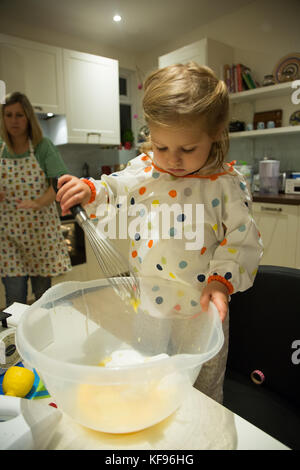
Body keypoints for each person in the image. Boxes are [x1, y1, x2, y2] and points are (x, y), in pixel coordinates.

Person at [56, 63, 263, 403]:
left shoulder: (226, 185)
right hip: (149, 303)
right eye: (162, 146)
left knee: (203, 389)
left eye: (187, 149)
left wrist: (219, 282)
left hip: (201, 309)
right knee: (150, 376)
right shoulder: (147, 169)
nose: (172, 160)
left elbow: (241, 240)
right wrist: (90, 190)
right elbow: (117, 187)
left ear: (215, 134)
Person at [0, 91, 71, 308]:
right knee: (14, 302)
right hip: (8, 237)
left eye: (19, 115)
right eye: (9, 115)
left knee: (44, 301)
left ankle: (42, 340)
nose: (14, 120)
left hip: (40, 235)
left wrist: (38, 202)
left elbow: (57, 184)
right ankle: (16, 342)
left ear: (28, 117)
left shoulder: (42, 147)